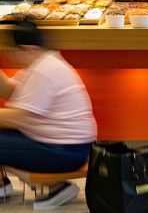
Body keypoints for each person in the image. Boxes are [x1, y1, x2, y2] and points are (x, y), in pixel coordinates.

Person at [0, 22, 97, 209]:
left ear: (26, 48)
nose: (9, 55)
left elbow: (17, 118)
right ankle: (53, 186)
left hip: (64, 151)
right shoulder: (45, 62)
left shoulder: (43, 71)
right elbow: (12, 92)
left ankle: (55, 186)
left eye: (12, 50)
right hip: (71, 147)